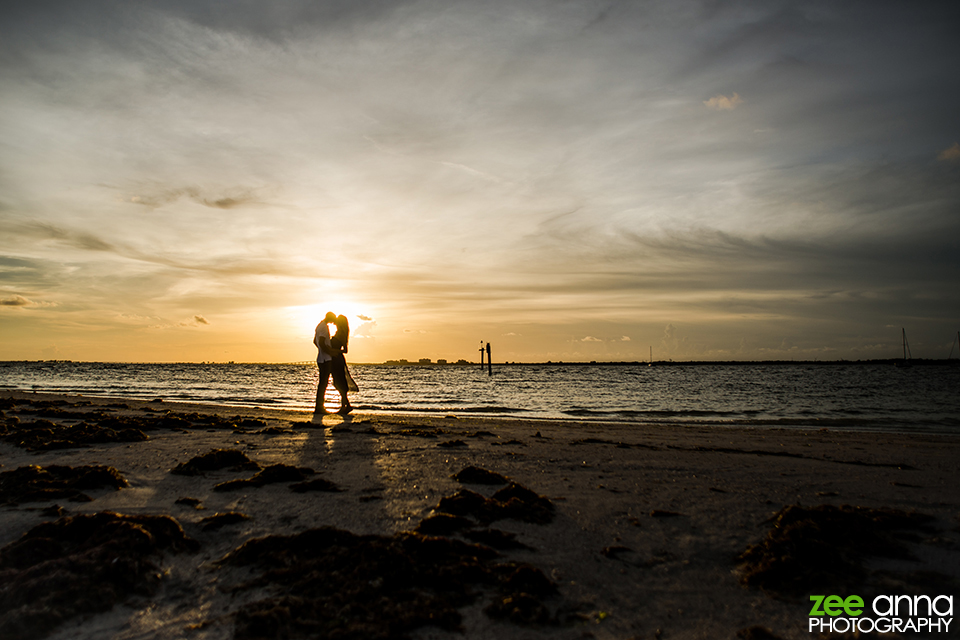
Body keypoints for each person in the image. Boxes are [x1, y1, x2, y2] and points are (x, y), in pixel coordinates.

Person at [330, 314, 358, 414]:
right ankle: (346, 405)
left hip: (337, 360)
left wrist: (334, 350)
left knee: (339, 382)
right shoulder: (339, 332)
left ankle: (344, 406)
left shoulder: (341, 334)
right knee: (337, 382)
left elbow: (345, 350)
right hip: (334, 359)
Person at [313, 311, 337, 413]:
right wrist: (329, 351)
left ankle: (319, 406)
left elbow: (315, 341)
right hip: (325, 359)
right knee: (323, 383)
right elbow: (321, 342)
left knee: (322, 383)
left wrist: (320, 350)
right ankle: (319, 407)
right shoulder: (323, 327)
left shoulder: (319, 326)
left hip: (321, 357)